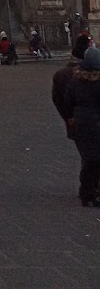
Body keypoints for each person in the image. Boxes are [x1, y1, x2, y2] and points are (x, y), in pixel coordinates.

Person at [65, 46, 100, 207]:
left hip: (81, 121)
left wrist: (72, 116)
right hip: (96, 121)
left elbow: (67, 99)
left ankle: (86, 193)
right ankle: (91, 192)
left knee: (89, 158)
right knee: (95, 159)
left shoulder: (75, 80)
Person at [53, 34, 93, 137]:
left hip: (75, 123)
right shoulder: (92, 73)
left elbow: (58, 100)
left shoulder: (61, 74)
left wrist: (68, 117)